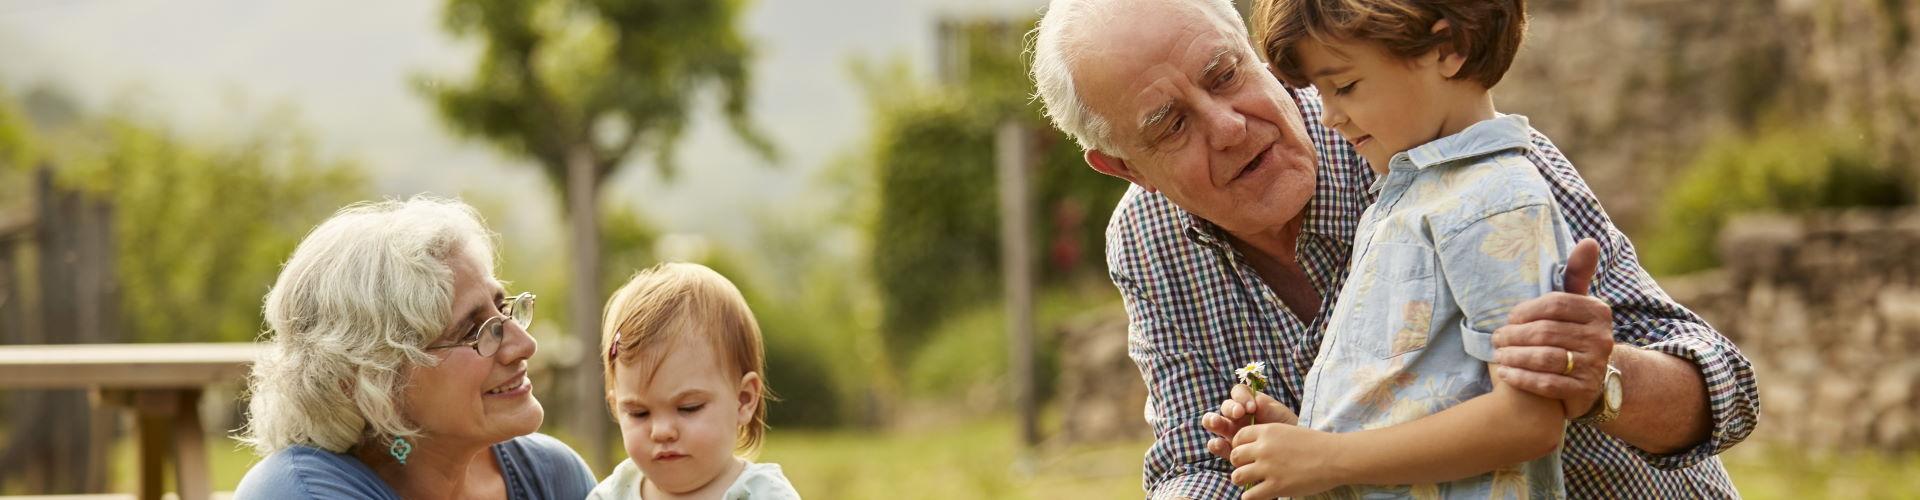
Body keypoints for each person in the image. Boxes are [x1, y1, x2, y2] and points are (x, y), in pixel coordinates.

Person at [1027, 0, 1759, 498]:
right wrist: (1274, 457)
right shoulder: (1147, 238)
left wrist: (1599, 378)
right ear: (1124, 166)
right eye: (1170, 125)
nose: (1227, 126)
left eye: (1226, 75)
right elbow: (1191, 464)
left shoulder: (1451, 153)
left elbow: (1723, 392)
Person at [233, 197, 595, 500]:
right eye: (474, 329)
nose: (524, 345)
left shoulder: (553, 477)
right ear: (370, 379)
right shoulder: (299, 493)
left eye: (502, 309)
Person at [588, 263, 800, 499]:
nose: (662, 432)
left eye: (688, 408)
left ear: (743, 400)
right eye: (639, 413)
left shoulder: (763, 494)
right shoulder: (612, 494)